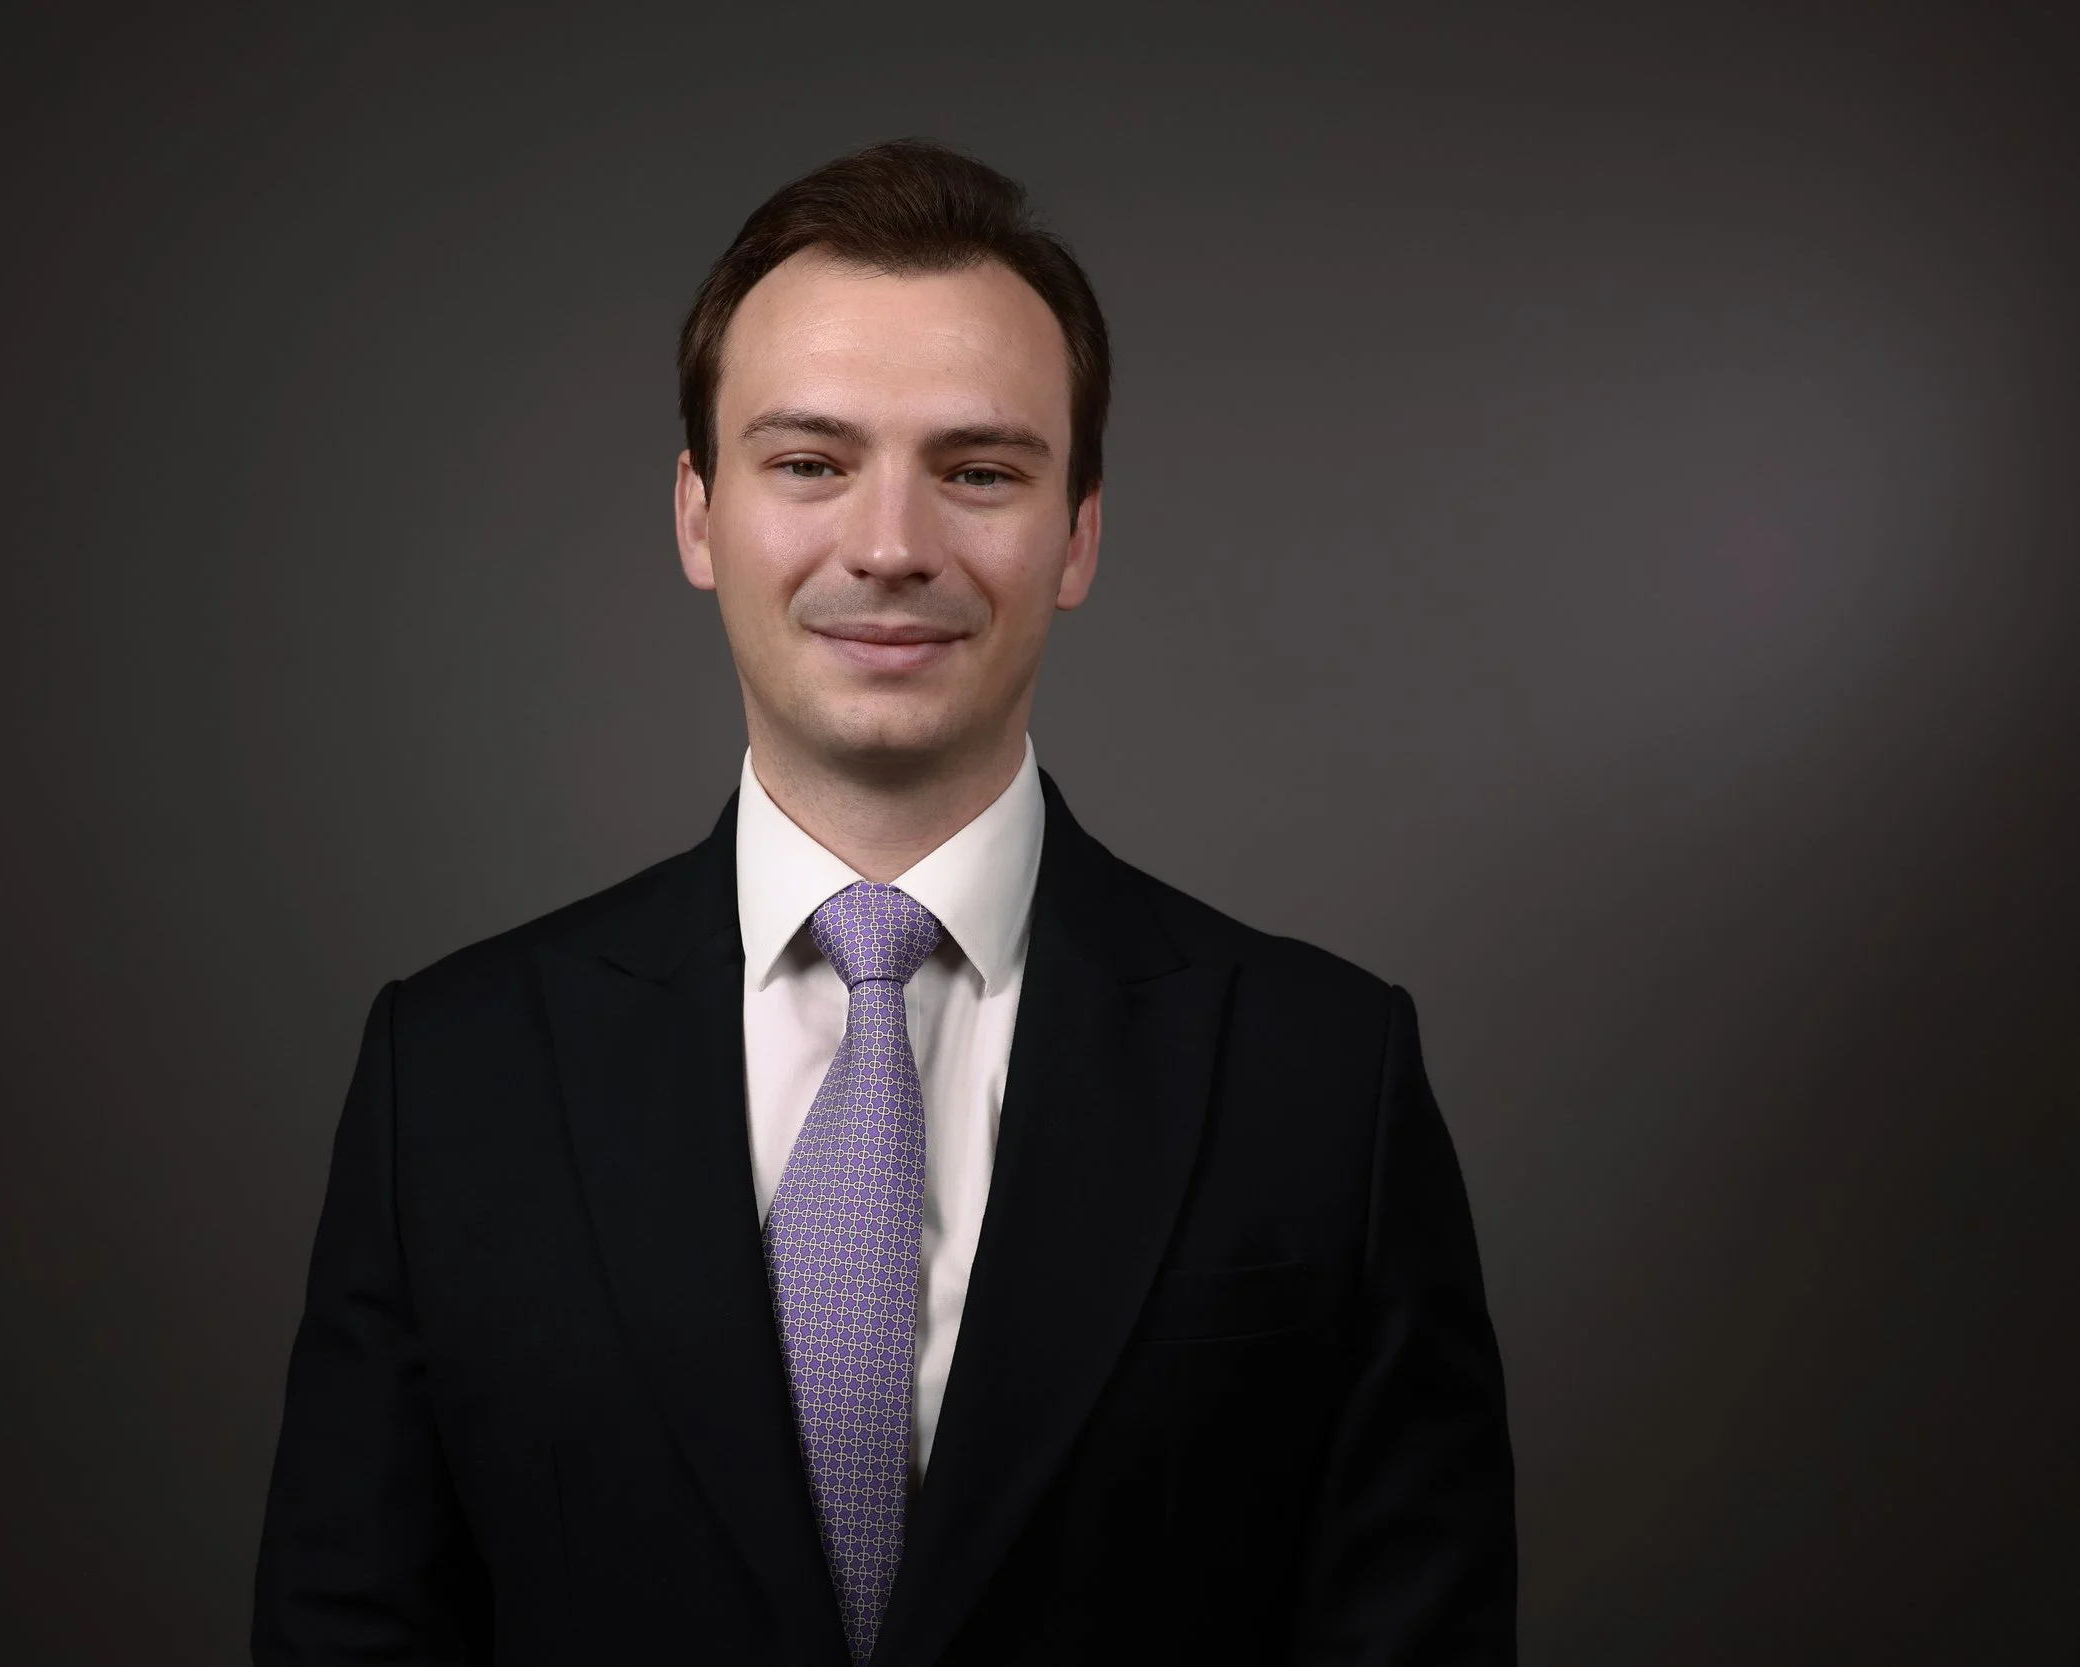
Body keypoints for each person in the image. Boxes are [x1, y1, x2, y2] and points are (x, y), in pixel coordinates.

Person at [252, 138, 1515, 1666]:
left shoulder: (1328, 1078)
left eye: (978, 470)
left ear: (1080, 533)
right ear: (698, 515)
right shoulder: (445, 1077)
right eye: (810, 462)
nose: (893, 546)